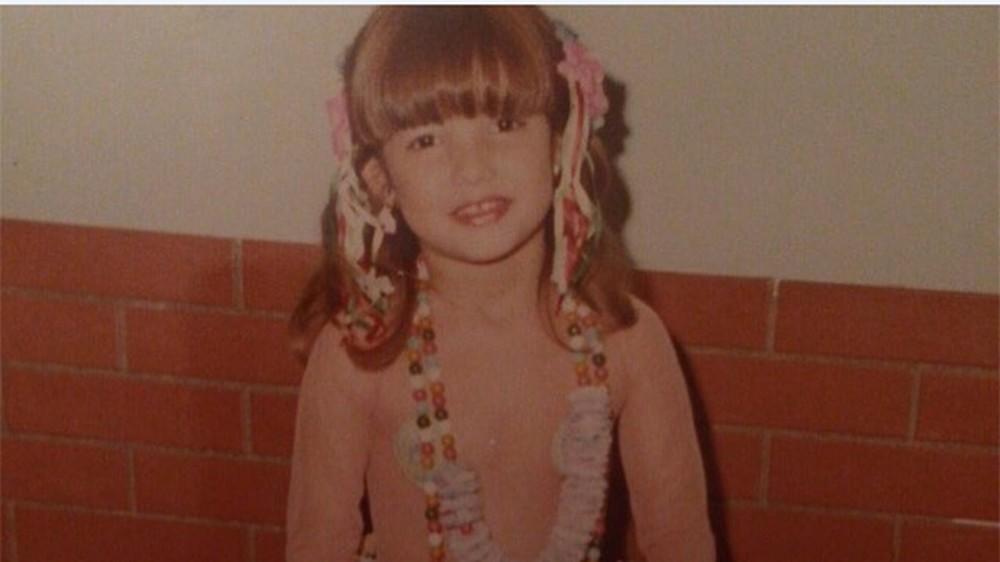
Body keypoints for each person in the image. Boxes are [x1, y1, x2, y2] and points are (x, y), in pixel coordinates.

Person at [286, 6, 715, 562]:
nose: (473, 168)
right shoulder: (356, 355)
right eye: (426, 140)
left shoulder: (628, 342)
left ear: (559, 144)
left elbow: (681, 544)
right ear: (379, 179)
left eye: (506, 124)